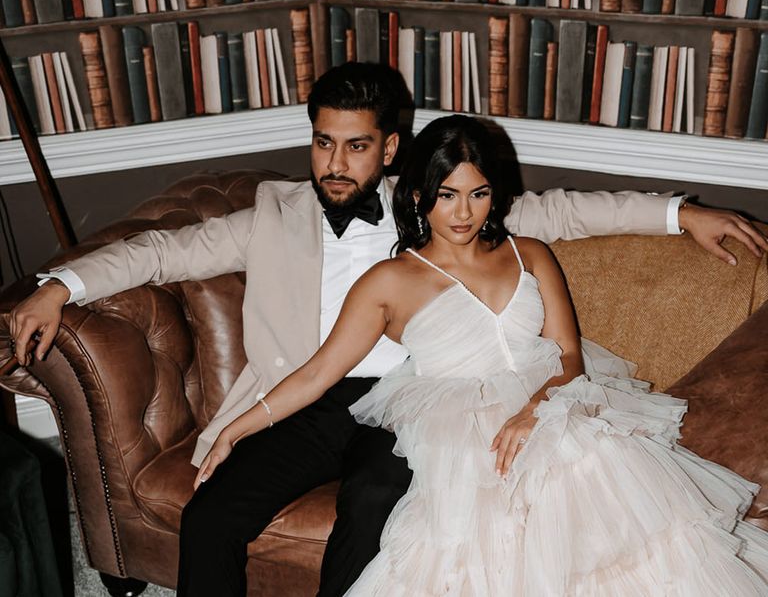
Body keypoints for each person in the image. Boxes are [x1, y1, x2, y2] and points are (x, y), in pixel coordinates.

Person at [7, 63, 767, 596]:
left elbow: (575, 210)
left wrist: (683, 212)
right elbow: (162, 251)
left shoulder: (447, 199)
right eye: (323, 142)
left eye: (357, 145)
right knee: (215, 511)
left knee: (373, 504)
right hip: (312, 392)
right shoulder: (275, 213)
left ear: (391, 148)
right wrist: (56, 285)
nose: (335, 163)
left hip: (417, 397)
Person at [197, 113, 768, 595]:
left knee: (628, 525)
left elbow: (568, 357)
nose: (464, 213)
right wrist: (235, 431)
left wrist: (535, 411)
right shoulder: (388, 281)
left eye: (478, 193)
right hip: (453, 430)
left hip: (552, 409)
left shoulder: (532, 254)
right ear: (419, 195)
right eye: (447, 196)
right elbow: (319, 372)